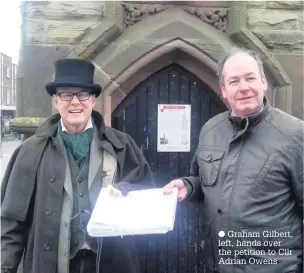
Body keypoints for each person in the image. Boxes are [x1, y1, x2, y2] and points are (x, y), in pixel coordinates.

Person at [1, 59, 155, 273]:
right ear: (55, 101)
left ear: (93, 101)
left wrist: (126, 193)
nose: (75, 102)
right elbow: (11, 222)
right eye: (66, 94)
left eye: (82, 94)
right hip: (51, 265)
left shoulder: (122, 146)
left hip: (110, 263)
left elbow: (146, 198)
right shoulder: (30, 151)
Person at [164, 48, 303, 273]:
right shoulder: (211, 130)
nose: (244, 87)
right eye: (234, 81)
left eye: (250, 78)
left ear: (263, 82)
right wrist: (188, 186)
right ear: (223, 90)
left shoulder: (295, 134)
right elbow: (205, 182)